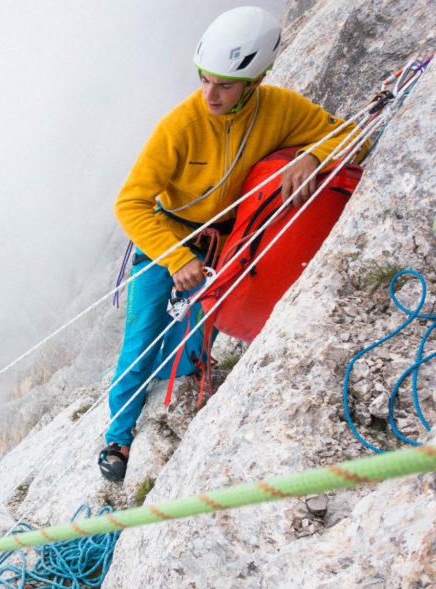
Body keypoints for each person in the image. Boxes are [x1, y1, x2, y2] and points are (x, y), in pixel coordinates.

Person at [100, 6, 365, 481]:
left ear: (256, 79)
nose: (210, 94)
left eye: (224, 84)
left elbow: (351, 136)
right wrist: (176, 258)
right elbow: (130, 203)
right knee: (140, 339)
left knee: (197, 337)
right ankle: (118, 437)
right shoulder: (179, 127)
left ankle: (179, 373)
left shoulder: (280, 109)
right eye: (204, 79)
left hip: (221, 244)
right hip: (167, 239)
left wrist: (313, 155)